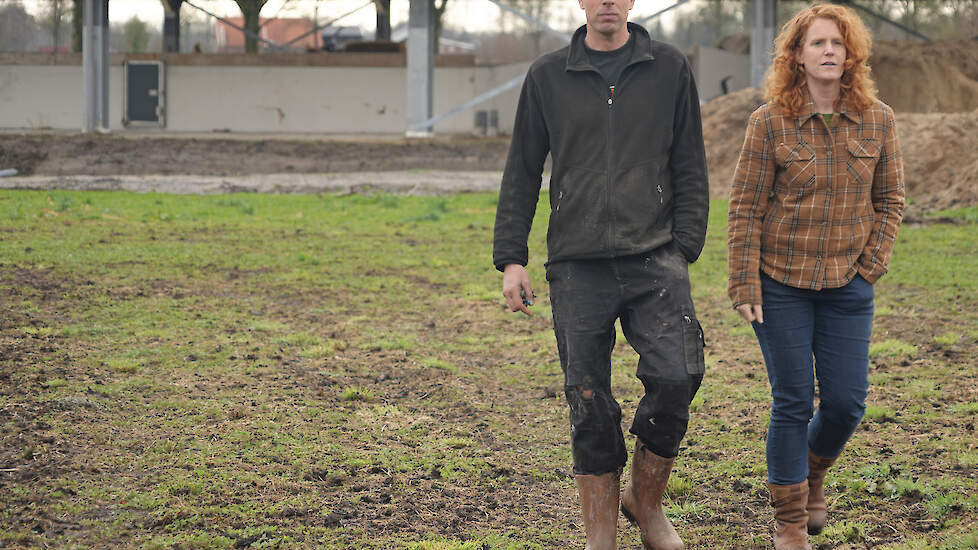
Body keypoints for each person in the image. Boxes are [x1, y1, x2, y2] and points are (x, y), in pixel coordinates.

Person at [492, 0, 709, 546]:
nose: (608, 1)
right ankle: (601, 534)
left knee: (676, 375)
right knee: (587, 395)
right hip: (576, 262)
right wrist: (512, 258)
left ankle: (647, 502)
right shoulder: (547, 75)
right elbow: (522, 167)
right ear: (583, 3)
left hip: (655, 254)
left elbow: (689, 159)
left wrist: (684, 245)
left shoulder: (668, 67)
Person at [727, 4, 904, 549]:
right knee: (794, 399)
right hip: (779, 282)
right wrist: (744, 282)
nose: (829, 51)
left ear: (852, 56)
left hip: (847, 285)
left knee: (848, 402)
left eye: (838, 44)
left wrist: (870, 266)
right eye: (817, 43)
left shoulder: (879, 119)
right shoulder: (769, 121)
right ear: (796, 56)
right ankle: (790, 524)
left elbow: (891, 201)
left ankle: (811, 473)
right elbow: (745, 207)